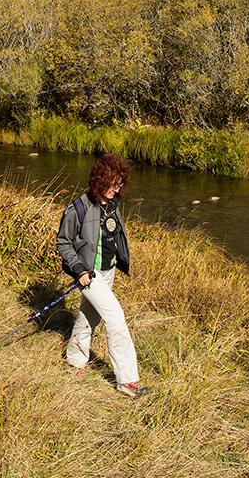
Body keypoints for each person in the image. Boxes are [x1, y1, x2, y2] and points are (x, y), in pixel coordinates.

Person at [56, 153, 149, 398]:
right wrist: (78, 269)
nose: (115, 188)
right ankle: (128, 382)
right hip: (89, 274)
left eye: (119, 184)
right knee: (116, 318)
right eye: (111, 183)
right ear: (99, 181)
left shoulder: (113, 204)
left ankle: (74, 361)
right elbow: (63, 242)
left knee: (89, 317)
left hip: (108, 271)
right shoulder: (78, 208)